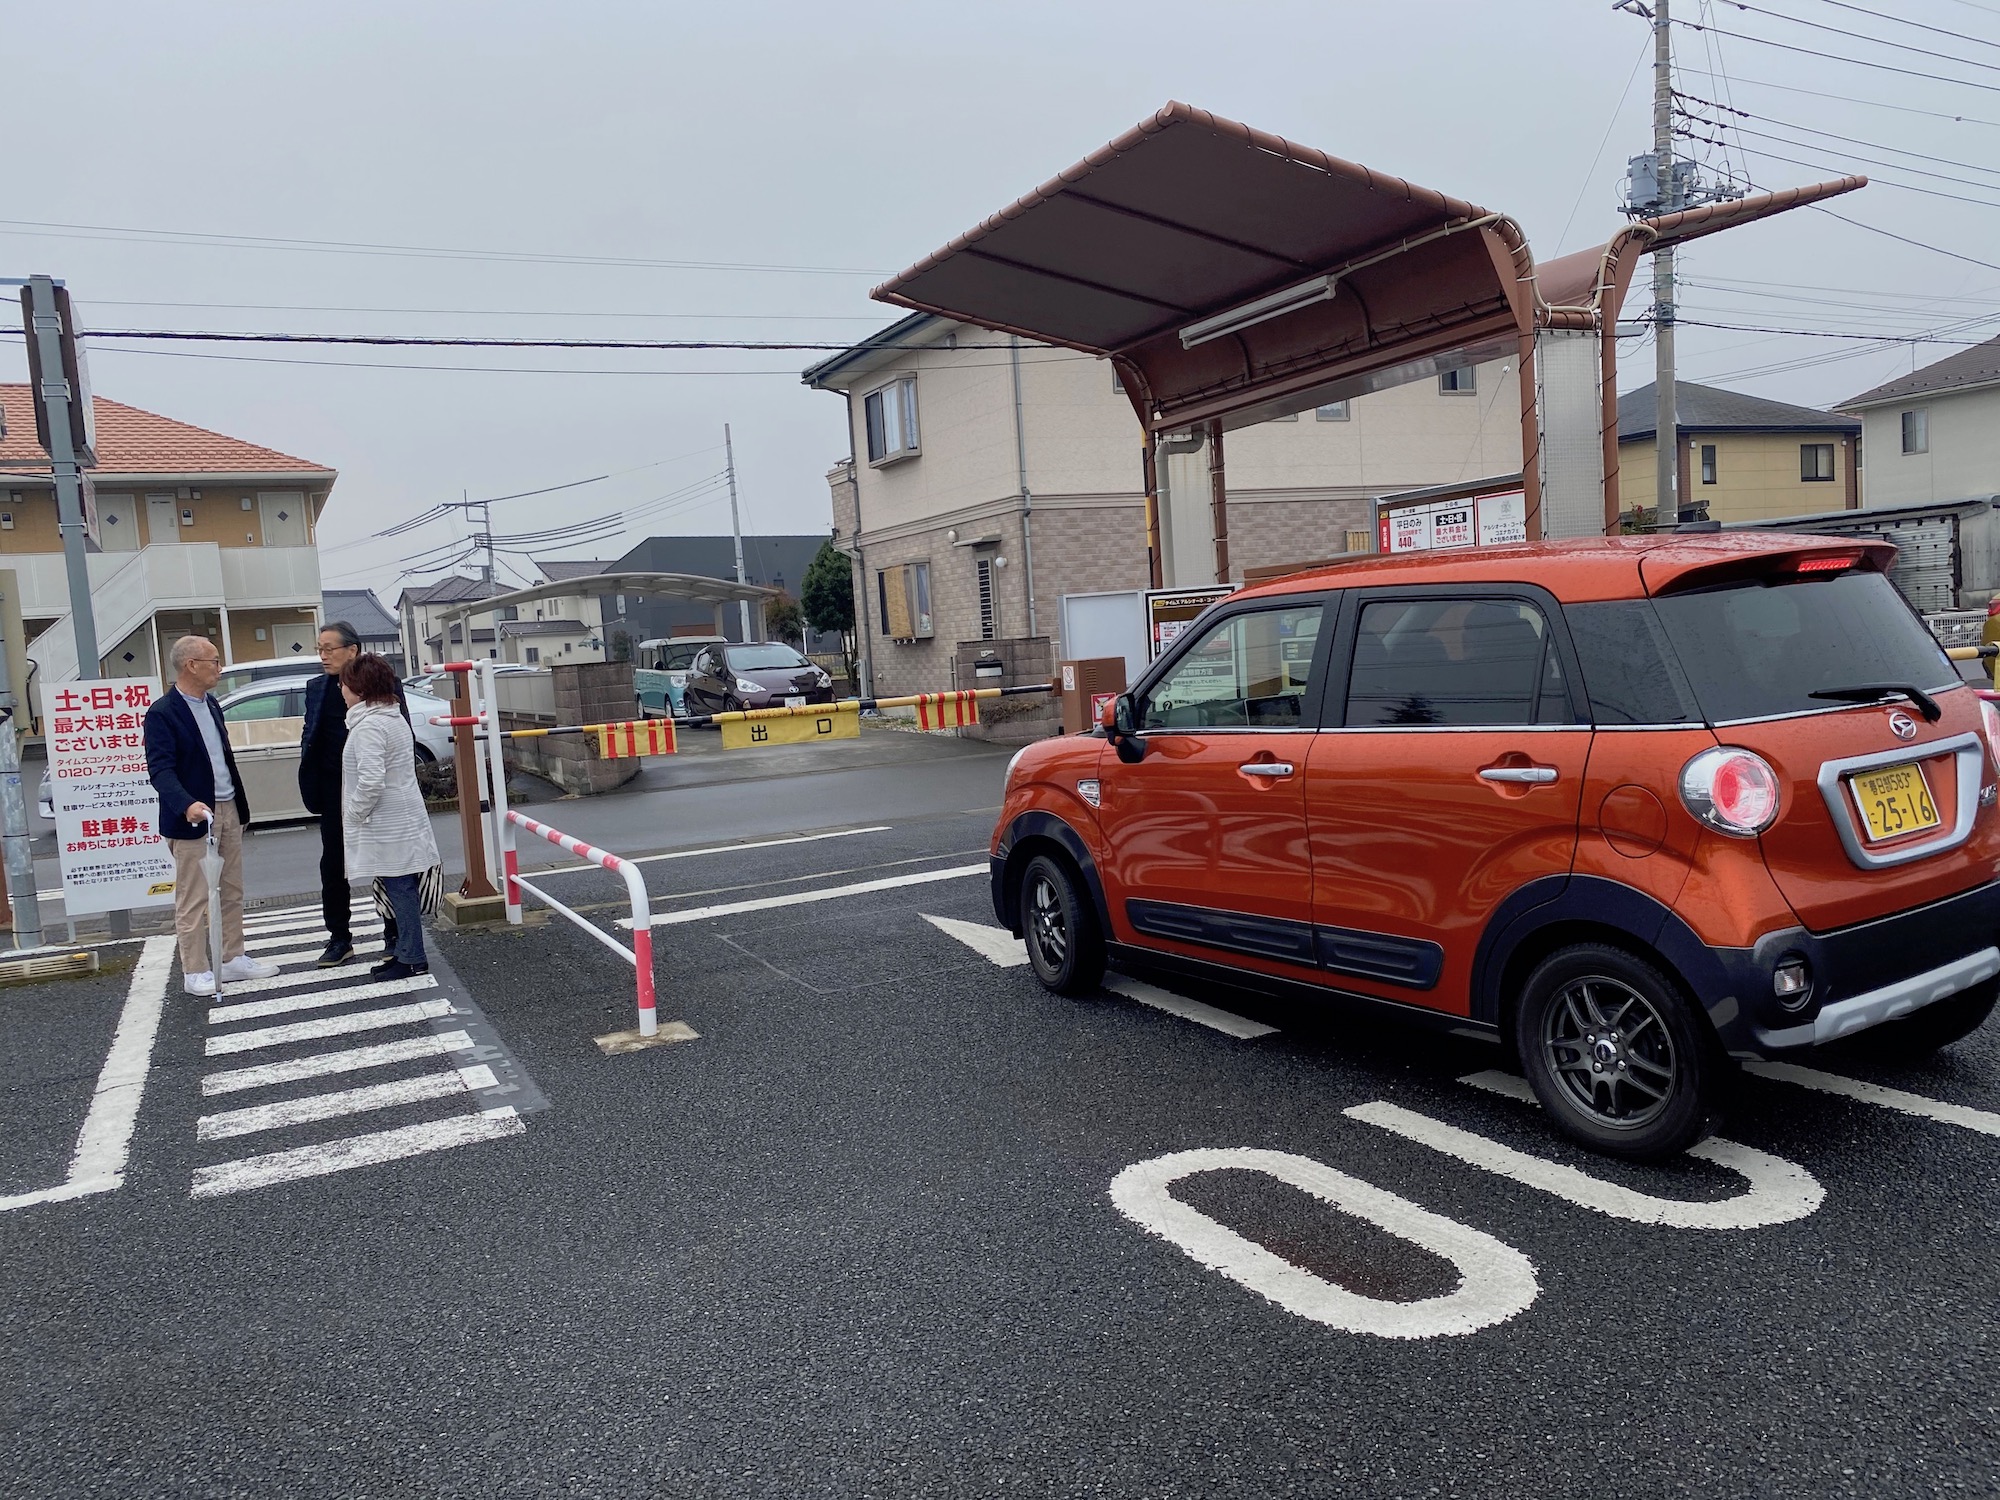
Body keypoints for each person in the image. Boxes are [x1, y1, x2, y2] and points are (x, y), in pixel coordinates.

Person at [143, 636, 280, 996]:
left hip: (227, 806)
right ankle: (195, 970)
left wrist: (239, 809)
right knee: (194, 896)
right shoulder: (163, 713)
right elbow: (160, 769)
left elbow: (223, 759)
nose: (220, 668)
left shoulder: (213, 704)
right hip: (193, 815)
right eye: (214, 661)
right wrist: (186, 803)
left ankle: (233, 956)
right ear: (191, 665)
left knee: (231, 888)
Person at [299, 621, 402, 966]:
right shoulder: (317, 687)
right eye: (319, 649)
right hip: (333, 789)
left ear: (352, 650)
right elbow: (309, 733)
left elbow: (397, 731)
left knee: (385, 860)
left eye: (329, 649)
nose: (323, 656)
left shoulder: (382, 683)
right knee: (333, 864)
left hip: (375, 787)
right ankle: (339, 938)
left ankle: (394, 932)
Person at [339, 653, 440, 979]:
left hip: (387, 823)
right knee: (401, 886)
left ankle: (411, 957)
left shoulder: (369, 726)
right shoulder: (392, 717)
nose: (341, 689)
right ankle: (407, 953)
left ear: (360, 688)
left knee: (400, 887)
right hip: (403, 817)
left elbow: (371, 781)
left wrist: (353, 813)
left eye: (345, 684)